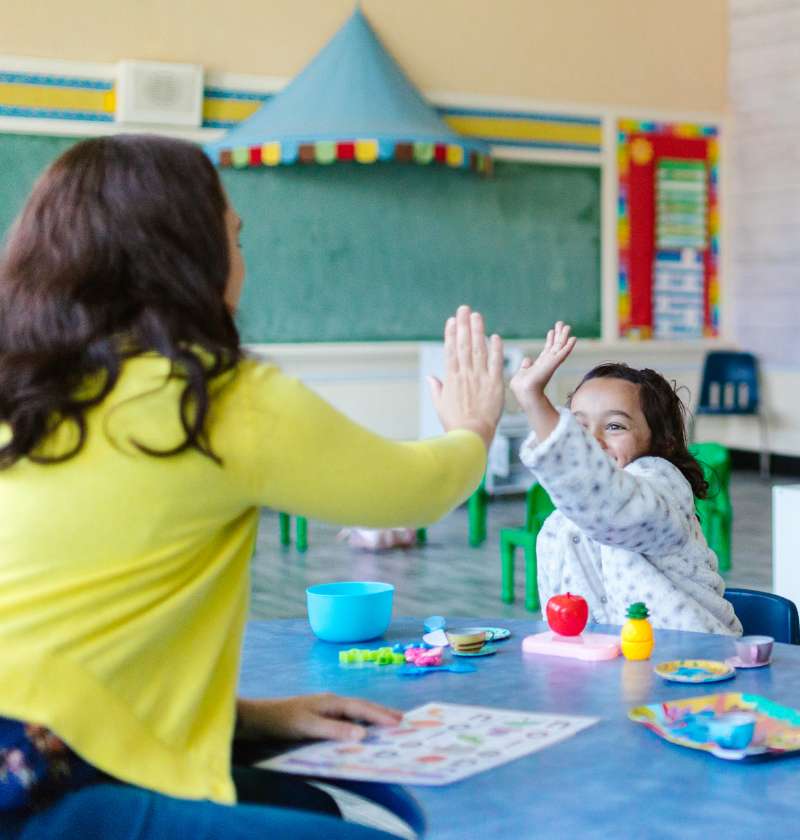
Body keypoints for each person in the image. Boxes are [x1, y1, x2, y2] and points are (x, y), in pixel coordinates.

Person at [0, 134, 505, 838]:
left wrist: (249, 718)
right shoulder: (211, 397)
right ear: (187, 256)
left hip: (45, 751)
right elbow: (415, 492)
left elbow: (60, 642)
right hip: (41, 787)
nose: (240, 260)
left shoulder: (23, 392)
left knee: (310, 806)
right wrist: (473, 426)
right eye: (233, 238)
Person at [509, 321, 742, 636]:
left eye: (615, 426)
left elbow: (612, 508)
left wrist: (534, 400)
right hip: (613, 670)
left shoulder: (662, 485)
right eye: (579, 427)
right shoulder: (558, 526)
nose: (593, 440)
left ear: (662, 441)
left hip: (694, 662)